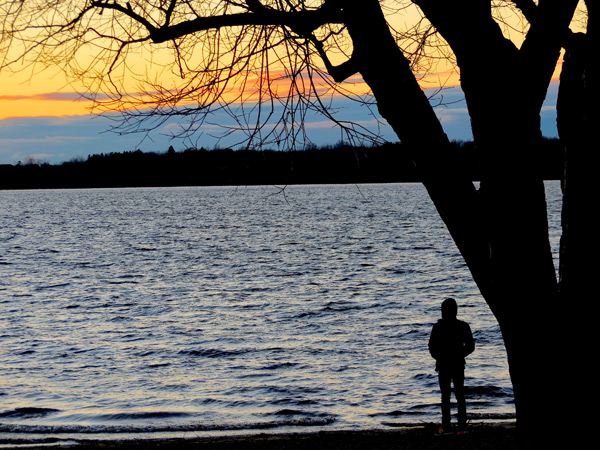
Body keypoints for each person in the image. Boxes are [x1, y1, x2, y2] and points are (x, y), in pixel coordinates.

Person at [428, 297, 475, 433]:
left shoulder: (441, 327)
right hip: (451, 364)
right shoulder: (459, 326)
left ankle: (453, 425)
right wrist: (457, 355)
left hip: (449, 364)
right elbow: (432, 347)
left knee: (450, 396)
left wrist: (449, 356)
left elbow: (432, 347)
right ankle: (456, 425)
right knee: (456, 395)